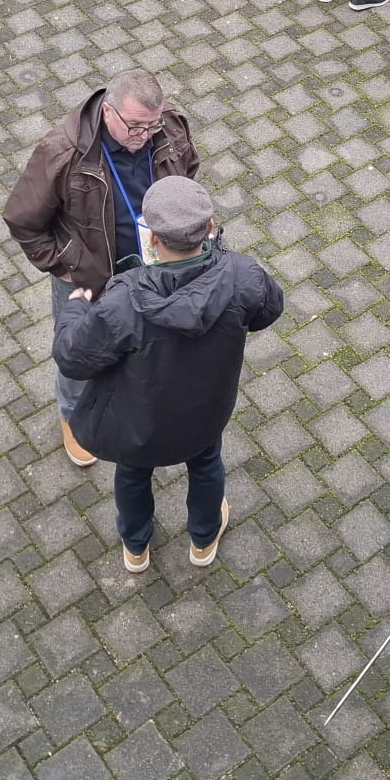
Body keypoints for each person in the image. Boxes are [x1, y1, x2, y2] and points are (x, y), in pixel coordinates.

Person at [54, 176, 283, 572]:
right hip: (205, 414)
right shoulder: (243, 274)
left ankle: (136, 548)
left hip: (138, 424)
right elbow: (269, 309)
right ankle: (203, 541)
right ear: (210, 228)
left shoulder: (123, 299)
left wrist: (75, 307)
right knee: (207, 465)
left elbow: (73, 358)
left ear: (154, 238)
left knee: (132, 475)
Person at [4, 70, 198, 466]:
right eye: (135, 127)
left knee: (148, 340)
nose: (144, 136)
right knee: (78, 351)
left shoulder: (169, 126)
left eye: (151, 126)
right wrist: (64, 267)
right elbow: (23, 220)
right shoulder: (61, 152)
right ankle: (72, 415)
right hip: (89, 278)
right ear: (108, 112)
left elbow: (188, 171)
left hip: (154, 268)